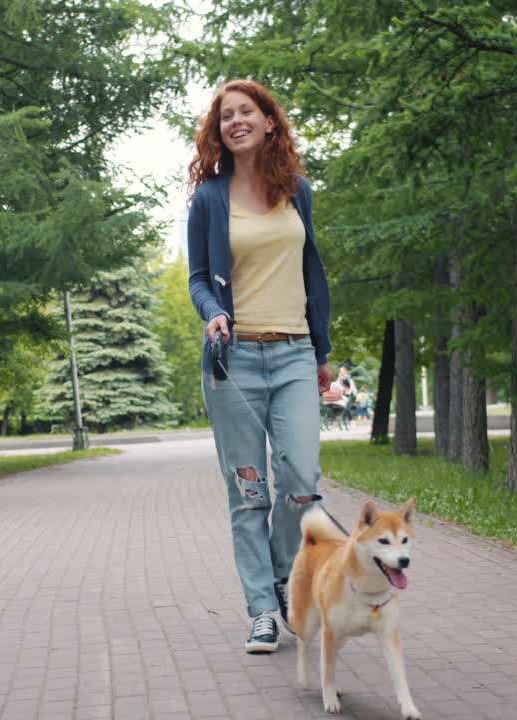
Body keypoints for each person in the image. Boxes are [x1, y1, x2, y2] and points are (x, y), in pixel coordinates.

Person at [186, 79, 333, 654]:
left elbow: (311, 269)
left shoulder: (298, 191)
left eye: (247, 111)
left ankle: (279, 575)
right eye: (226, 116)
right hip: (234, 359)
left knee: (301, 480)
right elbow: (200, 277)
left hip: (295, 352)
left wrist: (321, 352)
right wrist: (212, 313)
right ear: (218, 130)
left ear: (270, 122)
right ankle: (263, 610)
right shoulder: (209, 199)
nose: (236, 121)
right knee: (248, 491)